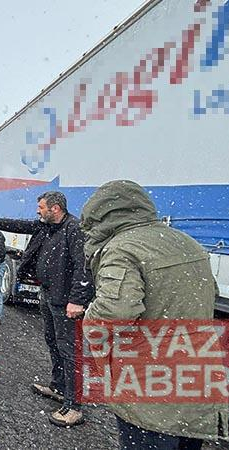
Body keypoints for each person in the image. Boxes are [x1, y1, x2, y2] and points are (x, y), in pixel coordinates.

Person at [81, 180, 224, 449]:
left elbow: (113, 314)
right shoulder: (186, 241)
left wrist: (90, 324)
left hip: (149, 385)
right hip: (196, 378)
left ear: (101, 214)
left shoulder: (123, 248)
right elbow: (210, 296)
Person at [0, 191, 93, 426]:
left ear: (55, 209)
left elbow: (82, 268)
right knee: (53, 342)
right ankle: (58, 387)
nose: (38, 211)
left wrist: (76, 300)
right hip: (48, 294)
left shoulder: (73, 229)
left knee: (69, 350)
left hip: (65, 300)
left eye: (41, 207)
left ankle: (74, 405)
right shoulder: (47, 227)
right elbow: (20, 225)